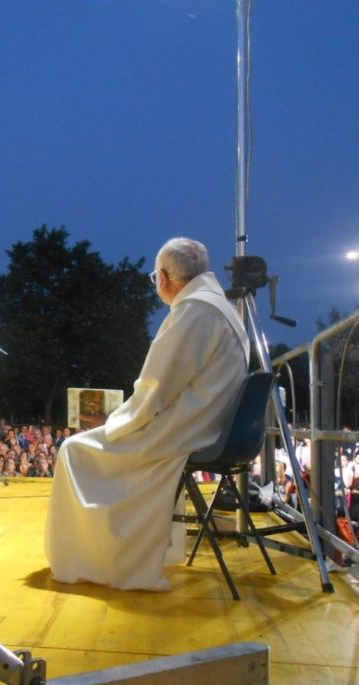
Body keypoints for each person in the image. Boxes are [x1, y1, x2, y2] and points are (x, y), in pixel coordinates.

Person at [44, 237, 249, 591]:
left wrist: (118, 423)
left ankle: (93, 560)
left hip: (189, 427)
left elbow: (156, 387)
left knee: (73, 450)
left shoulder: (194, 310)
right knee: (87, 446)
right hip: (209, 422)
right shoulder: (218, 306)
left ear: (163, 277)